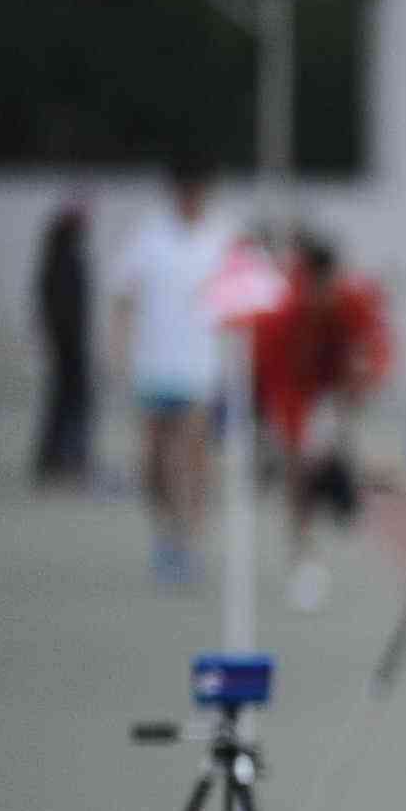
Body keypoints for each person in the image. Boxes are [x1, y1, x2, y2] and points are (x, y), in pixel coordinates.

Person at [105, 154, 231, 587]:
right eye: (187, 191)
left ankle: (188, 542)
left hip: (200, 370)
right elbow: (122, 297)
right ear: (176, 191)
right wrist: (118, 353)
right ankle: (165, 535)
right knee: (155, 463)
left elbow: (244, 297)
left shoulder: (221, 236)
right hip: (154, 368)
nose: (194, 199)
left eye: (201, 192)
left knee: (193, 461)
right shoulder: (149, 236)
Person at [257, 229, 394, 615]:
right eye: (315, 288)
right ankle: (302, 554)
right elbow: (272, 373)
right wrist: (281, 429)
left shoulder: (354, 299)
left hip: (336, 390)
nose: (322, 295)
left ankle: (340, 482)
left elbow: (377, 350)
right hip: (295, 391)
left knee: (326, 454)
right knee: (297, 469)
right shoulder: (284, 310)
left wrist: (361, 385)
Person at [30, 195, 95, 485]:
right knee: (68, 401)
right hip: (68, 344)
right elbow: (55, 305)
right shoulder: (62, 256)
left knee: (66, 400)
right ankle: (63, 457)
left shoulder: (63, 254)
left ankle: (65, 456)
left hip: (70, 342)